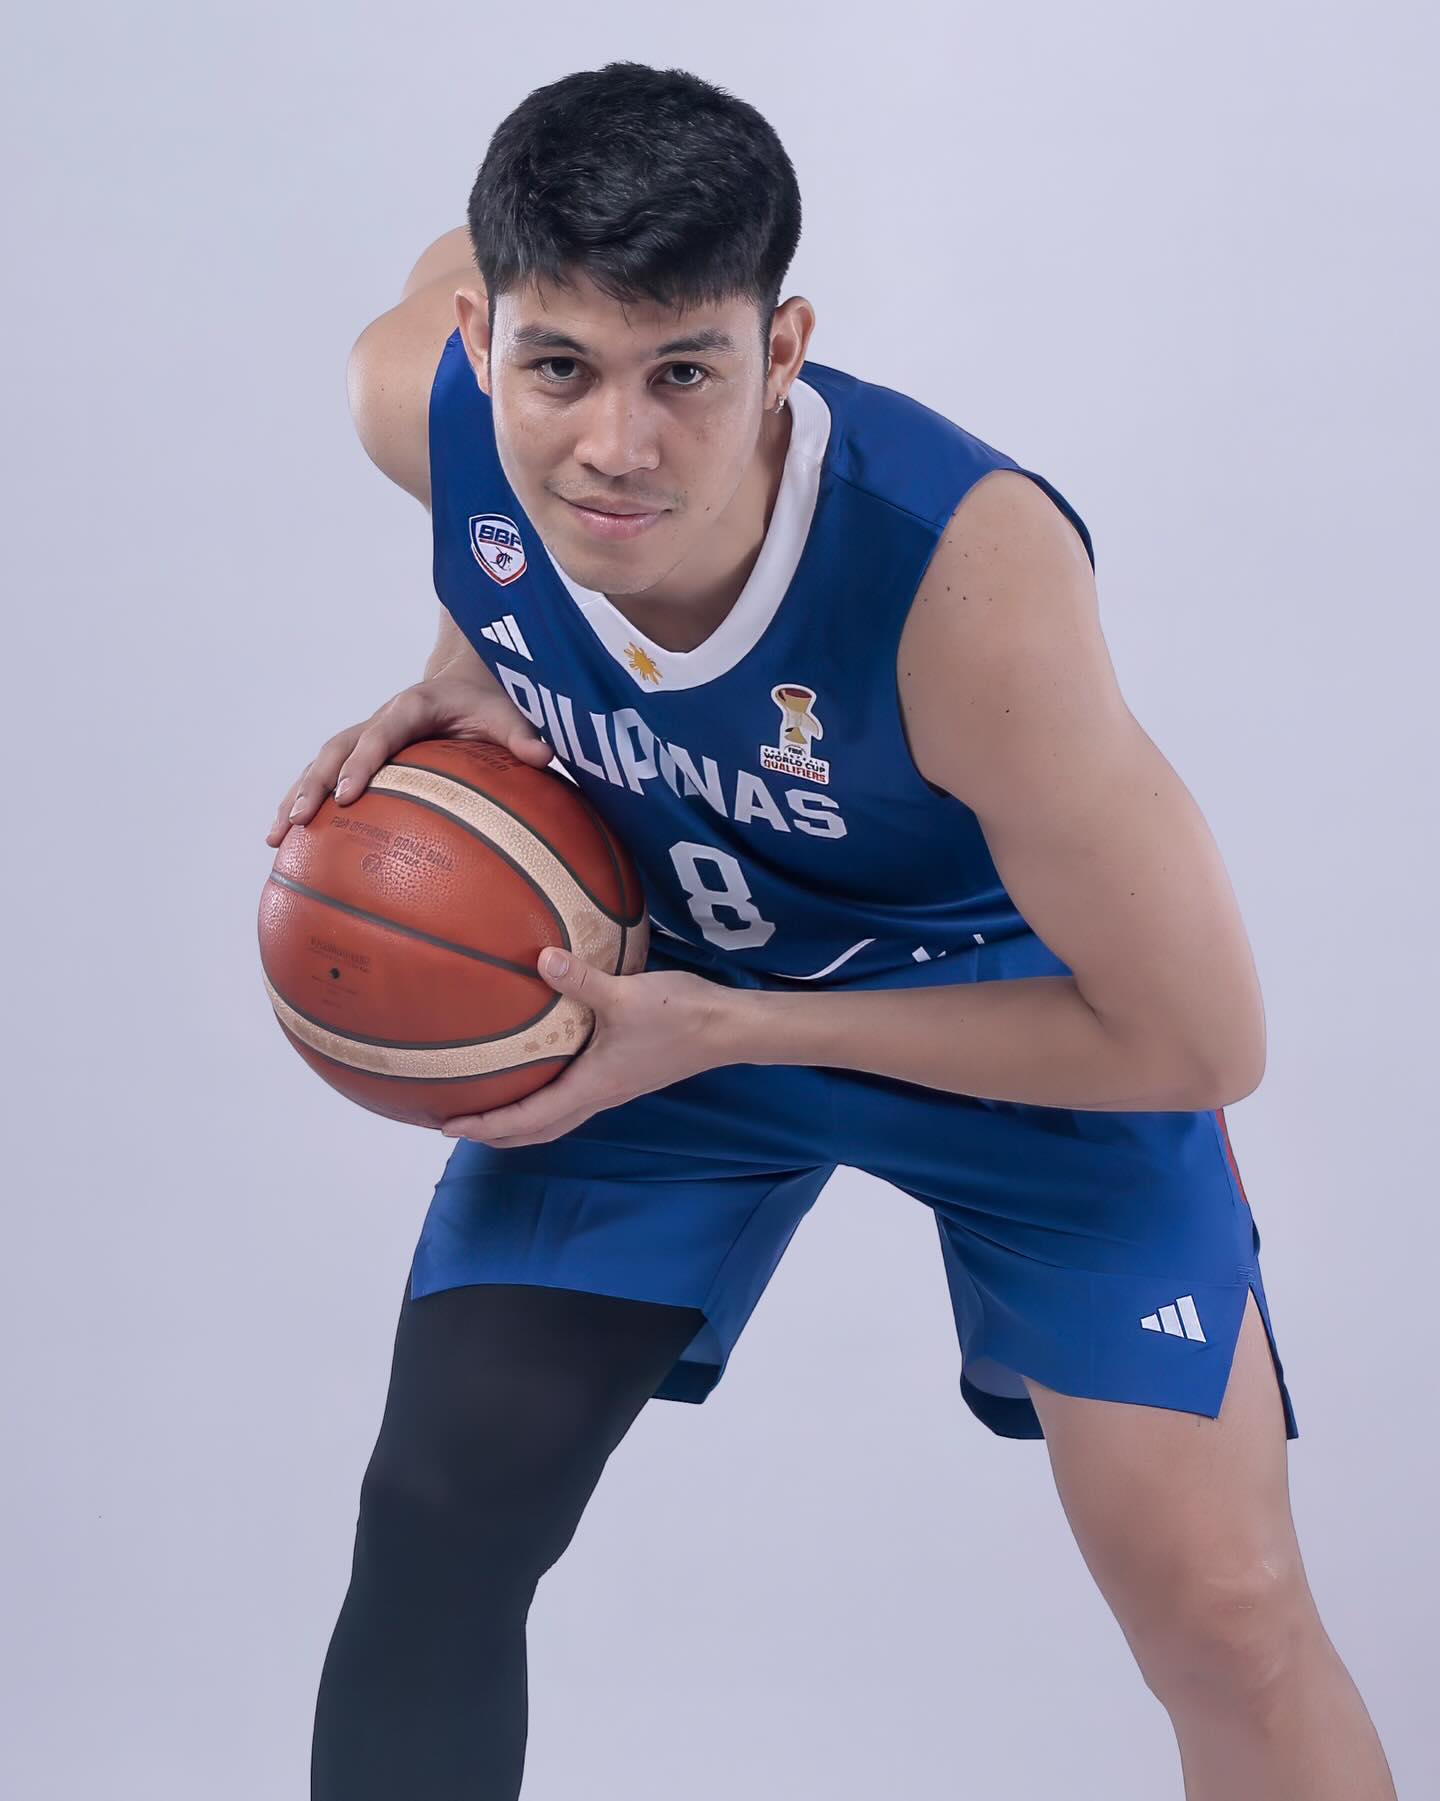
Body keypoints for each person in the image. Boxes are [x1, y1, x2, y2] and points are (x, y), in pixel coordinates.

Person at [271, 61, 1396, 1801]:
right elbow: (492, 423)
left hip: (1029, 1016)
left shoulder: (966, 578)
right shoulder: (414, 397)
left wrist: (739, 1027)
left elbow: (1199, 1037)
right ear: (482, 343)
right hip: (664, 996)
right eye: (558, 368)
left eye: (687, 373)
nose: (616, 444)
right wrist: (478, 650)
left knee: (1229, 1615)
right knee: (439, 1509)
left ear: (782, 349)